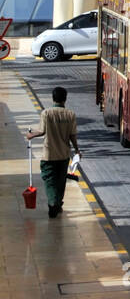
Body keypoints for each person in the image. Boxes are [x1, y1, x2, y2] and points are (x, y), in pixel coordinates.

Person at [25, 87, 80, 218]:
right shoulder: (70, 114)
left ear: (53, 98)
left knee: (50, 180)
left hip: (49, 155)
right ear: (65, 99)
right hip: (63, 155)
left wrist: (31, 135)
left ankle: (52, 204)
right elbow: (73, 135)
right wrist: (77, 150)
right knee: (61, 181)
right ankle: (58, 203)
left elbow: (42, 131)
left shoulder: (46, 113)